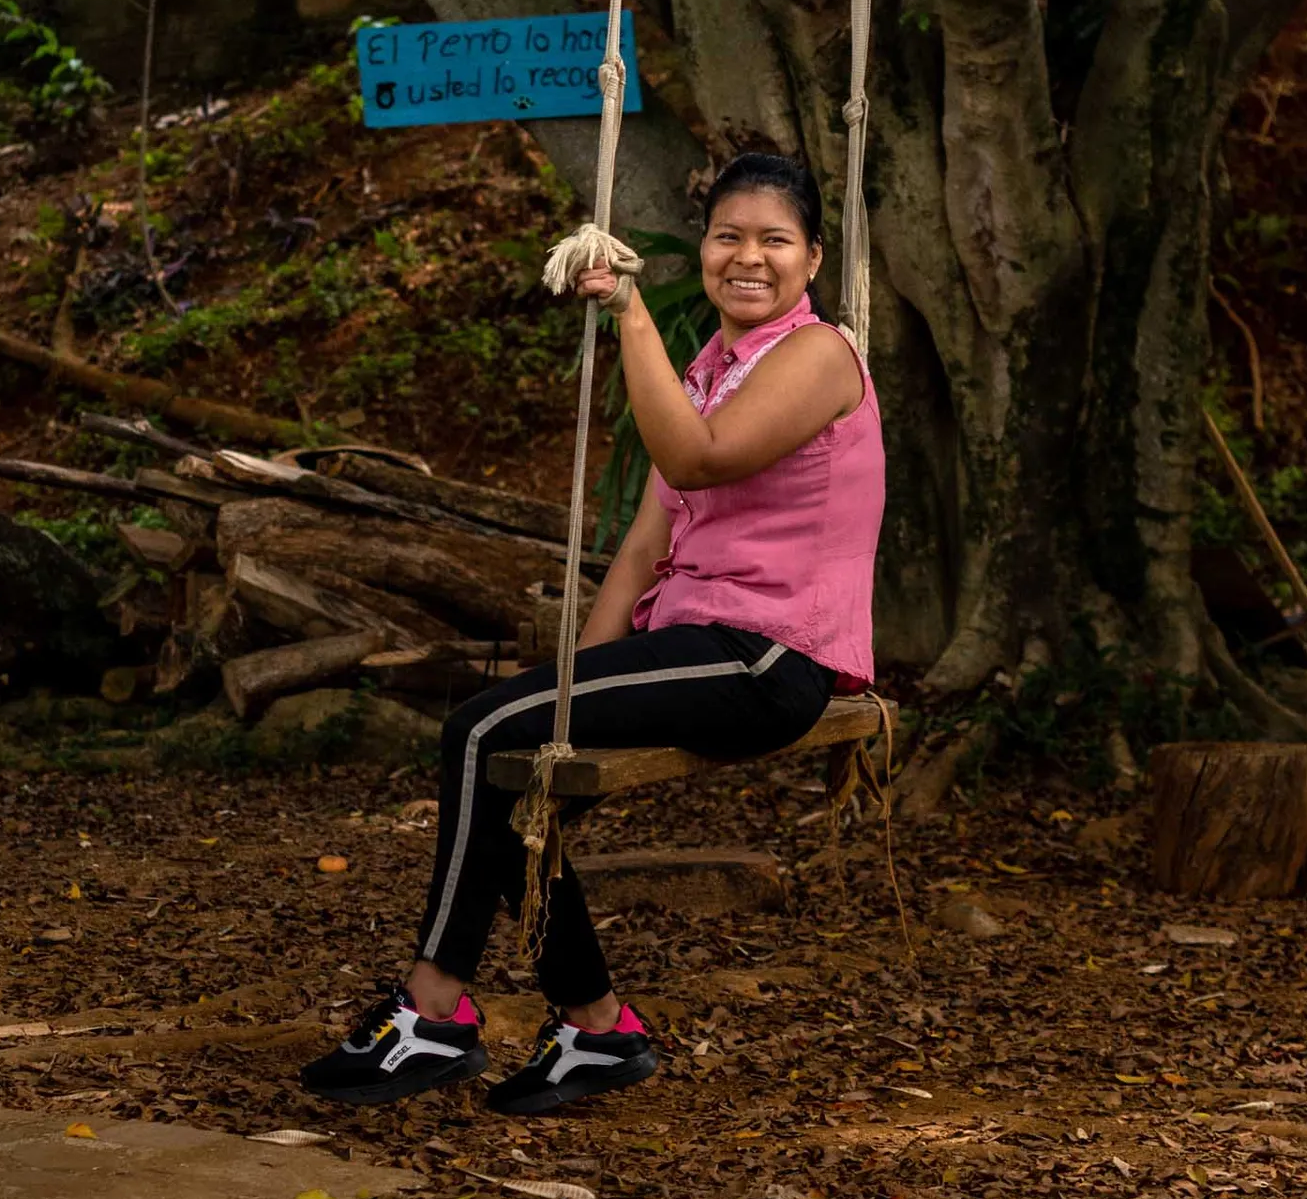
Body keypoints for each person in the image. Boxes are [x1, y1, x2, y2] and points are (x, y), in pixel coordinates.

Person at [300, 153, 885, 1116]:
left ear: (812, 257)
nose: (748, 257)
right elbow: (647, 545)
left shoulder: (820, 356)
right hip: (701, 645)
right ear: (703, 247)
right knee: (519, 764)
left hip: (770, 655)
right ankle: (597, 1029)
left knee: (480, 731)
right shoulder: (711, 368)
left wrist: (630, 314)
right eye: (727, 236)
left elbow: (695, 460)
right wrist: (573, 686)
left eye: (774, 240)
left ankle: (434, 1013)